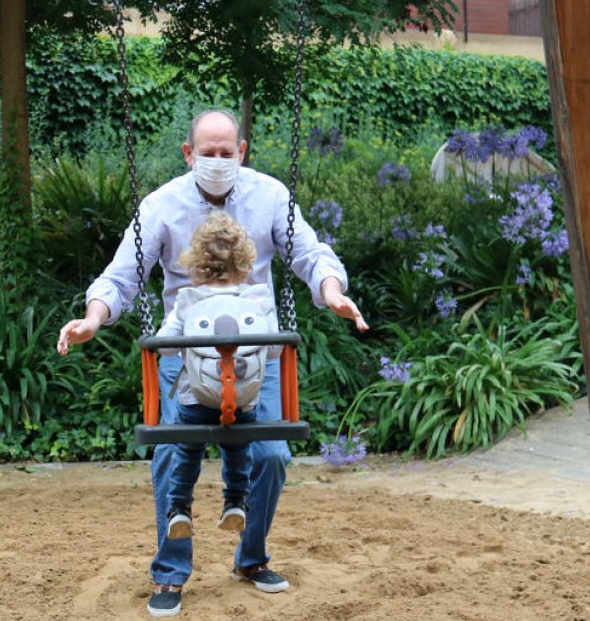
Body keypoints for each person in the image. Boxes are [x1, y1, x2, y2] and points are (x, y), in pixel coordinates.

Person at [56, 109, 367, 618]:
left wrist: (331, 292)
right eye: (208, 152)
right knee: (171, 453)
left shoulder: (270, 197)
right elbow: (122, 277)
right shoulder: (162, 205)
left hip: (255, 355)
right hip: (184, 352)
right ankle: (171, 573)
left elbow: (311, 256)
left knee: (270, 455)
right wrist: (93, 319)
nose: (218, 161)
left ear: (242, 151)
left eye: (228, 153)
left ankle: (250, 557)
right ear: (189, 153)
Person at [154, 210, 278, 547]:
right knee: (239, 451)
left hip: (197, 399)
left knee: (187, 450)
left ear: (196, 262)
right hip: (242, 399)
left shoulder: (188, 301)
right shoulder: (258, 300)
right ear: (245, 260)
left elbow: (165, 350)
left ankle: (179, 507)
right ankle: (235, 502)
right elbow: (276, 352)